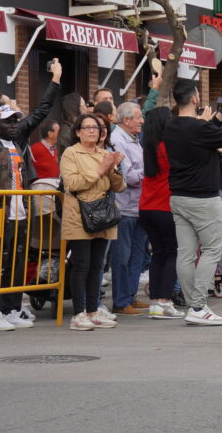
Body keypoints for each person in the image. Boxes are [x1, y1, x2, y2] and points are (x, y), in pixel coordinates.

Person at [0, 59, 63, 331]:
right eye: (8, 121)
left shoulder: (17, 142)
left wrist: (54, 81)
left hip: (21, 213)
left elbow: (40, 112)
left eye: (17, 120)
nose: (15, 124)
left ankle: (13, 308)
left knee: (17, 261)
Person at [163, 80, 222, 325]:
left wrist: (221, 112)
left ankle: (193, 306)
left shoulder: (171, 125)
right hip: (204, 198)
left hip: (179, 197)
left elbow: (206, 132)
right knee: (212, 249)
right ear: (195, 99)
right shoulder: (198, 129)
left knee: (185, 253)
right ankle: (198, 305)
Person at [60, 114, 126, 330]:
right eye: (86, 127)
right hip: (79, 215)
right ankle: (78, 313)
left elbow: (119, 187)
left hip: (103, 215)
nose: (92, 131)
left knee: (98, 266)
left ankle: (93, 310)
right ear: (77, 131)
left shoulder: (104, 154)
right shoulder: (71, 153)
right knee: (82, 265)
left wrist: (113, 169)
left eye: (95, 128)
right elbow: (73, 183)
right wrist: (100, 169)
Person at [139, 107, 183, 319]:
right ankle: (164, 300)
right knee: (173, 252)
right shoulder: (169, 147)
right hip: (165, 205)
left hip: (146, 206)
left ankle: (156, 301)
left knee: (158, 253)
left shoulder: (148, 146)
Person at [108, 102, 148, 315]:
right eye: (139, 117)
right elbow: (128, 176)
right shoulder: (117, 140)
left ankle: (130, 296)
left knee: (137, 256)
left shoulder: (133, 139)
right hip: (124, 207)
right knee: (122, 258)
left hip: (138, 206)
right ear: (126, 120)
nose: (142, 121)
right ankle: (121, 301)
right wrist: (146, 171)